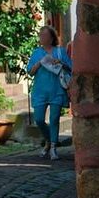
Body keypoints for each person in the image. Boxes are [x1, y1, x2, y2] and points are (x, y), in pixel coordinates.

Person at [27, 26, 72, 161]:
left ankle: (53, 147)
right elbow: (30, 71)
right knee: (39, 119)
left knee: (54, 119)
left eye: (45, 36)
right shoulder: (36, 53)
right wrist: (39, 64)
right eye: (41, 36)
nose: (42, 38)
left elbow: (71, 68)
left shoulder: (60, 51)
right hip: (40, 91)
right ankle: (48, 140)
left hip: (57, 90)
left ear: (52, 38)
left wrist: (61, 63)